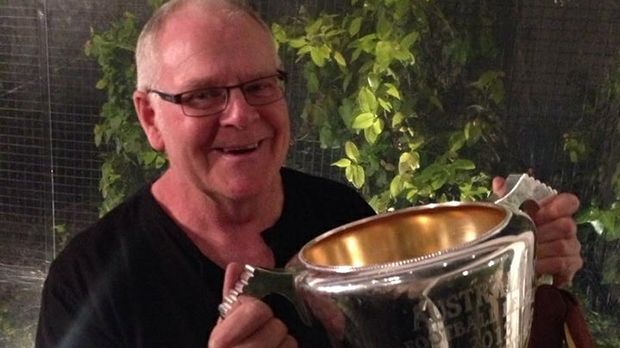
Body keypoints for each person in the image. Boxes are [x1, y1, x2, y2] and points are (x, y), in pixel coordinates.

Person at [35, 0, 583, 347]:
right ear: (150, 116)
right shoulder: (87, 285)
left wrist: (514, 264)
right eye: (203, 95)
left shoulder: (340, 218)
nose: (241, 115)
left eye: (259, 86)